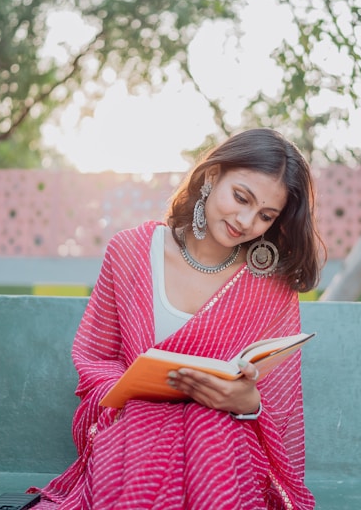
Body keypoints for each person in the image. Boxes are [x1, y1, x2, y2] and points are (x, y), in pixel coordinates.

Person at [28, 128, 325, 509]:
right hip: (128, 423)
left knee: (210, 429)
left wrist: (247, 402)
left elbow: (278, 400)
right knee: (143, 427)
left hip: (222, 437)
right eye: (241, 197)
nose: (247, 221)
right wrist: (132, 396)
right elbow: (95, 358)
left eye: (266, 215)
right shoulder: (130, 251)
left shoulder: (271, 286)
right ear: (212, 176)